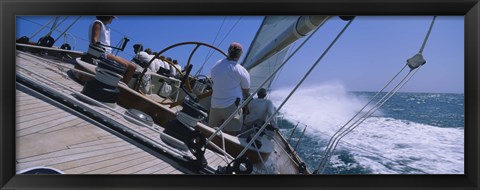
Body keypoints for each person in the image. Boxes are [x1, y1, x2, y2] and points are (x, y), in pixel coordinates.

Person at [208, 42, 250, 135]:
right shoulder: (242, 71)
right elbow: (246, 90)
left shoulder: (217, 65)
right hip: (231, 106)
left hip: (215, 103)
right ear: (240, 55)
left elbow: (213, 79)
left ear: (228, 51)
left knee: (211, 131)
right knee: (230, 134)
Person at [89, 16, 136, 84]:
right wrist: (99, 44)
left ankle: (123, 85)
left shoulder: (106, 27)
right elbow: (94, 41)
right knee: (125, 65)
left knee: (133, 67)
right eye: (112, 17)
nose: (113, 19)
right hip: (102, 54)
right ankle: (118, 86)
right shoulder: (98, 23)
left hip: (108, 53)